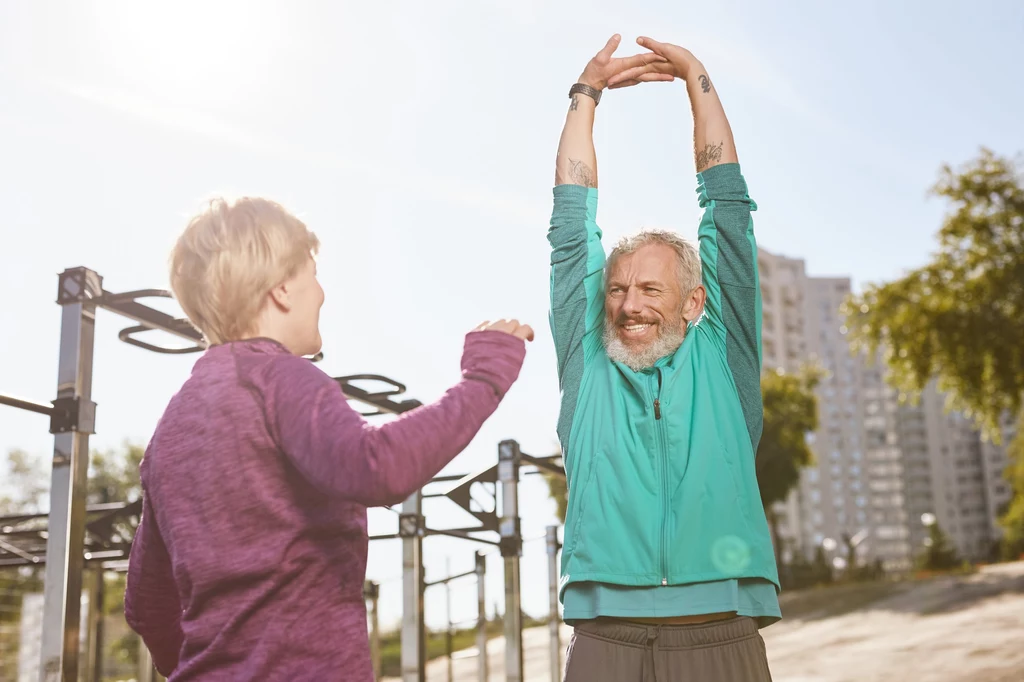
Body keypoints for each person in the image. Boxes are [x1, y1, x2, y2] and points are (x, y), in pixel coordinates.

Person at [124, 196, 533, 681]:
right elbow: (378, 466)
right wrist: (484, 377)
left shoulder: (171, 427)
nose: (321, 293)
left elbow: (147, 604)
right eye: (312, 275)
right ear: (281, 290)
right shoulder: (279, 377)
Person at [548, 35, 778, 681]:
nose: (630, 305)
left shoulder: (725, 361)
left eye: (651, 289)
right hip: (605, 641)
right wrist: (585, 95)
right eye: (618, 289)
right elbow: (571, 226)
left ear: (693, 301)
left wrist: (697, 77)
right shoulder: (588, 358)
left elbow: (728, 210)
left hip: (721, 634)